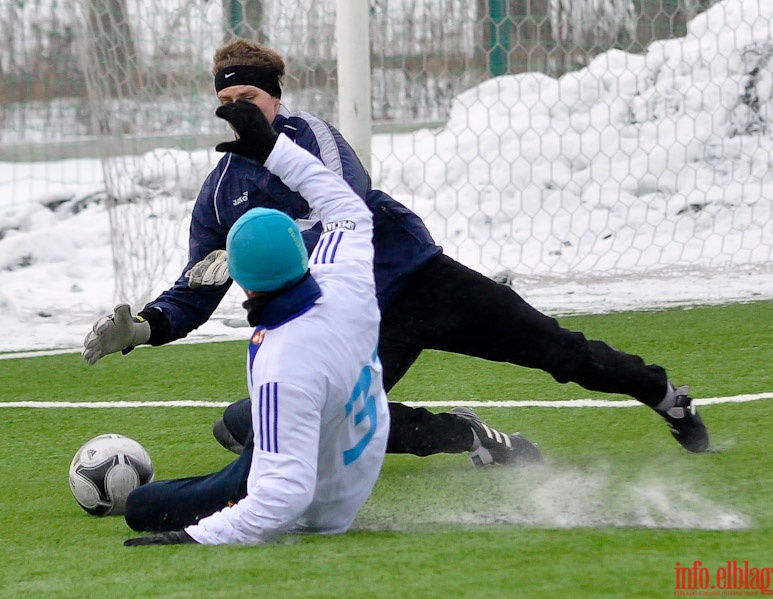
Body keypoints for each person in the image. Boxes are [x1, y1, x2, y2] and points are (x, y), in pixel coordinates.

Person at [83, 38, 709, 464]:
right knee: (243, 426)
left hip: (420, 282)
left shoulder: (312, 139)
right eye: (225, 104)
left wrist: (271, 159)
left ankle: (661, 393)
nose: (234, 113)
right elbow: (199, 282)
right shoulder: (220, 192)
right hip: (350, 328)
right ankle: (469, 436)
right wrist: (142, 327)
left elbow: (344, 205)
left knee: (559, 352)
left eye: (247, 100)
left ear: (274, 98)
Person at [124, 102, 389, 545]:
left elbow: (285, 498)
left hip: (324, 507)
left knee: (142, 506)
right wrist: (273, 149)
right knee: (240, 419)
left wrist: (197, 536)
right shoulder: (343, 272)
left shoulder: (283, 362)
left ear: (241, 283)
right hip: (358, 435)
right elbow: (345, 204)